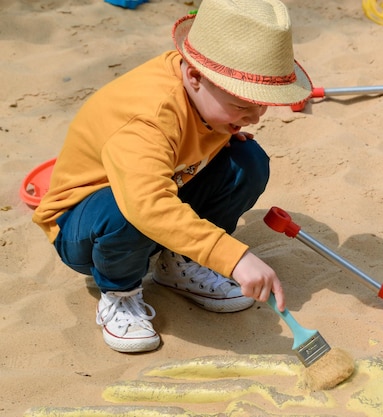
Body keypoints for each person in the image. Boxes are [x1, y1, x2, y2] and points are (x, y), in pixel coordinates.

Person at [32, 0, 312, 353]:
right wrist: (233, 257)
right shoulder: (148, 116)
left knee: (248, 161)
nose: (255, 115)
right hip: (85, 222)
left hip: (162, 187)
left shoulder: (207, 100)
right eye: (243, 104)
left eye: (263, 103)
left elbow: (192, 139)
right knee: (129, 212)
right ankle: (119, 292)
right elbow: (147, 204)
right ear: (194, 76)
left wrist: (226, 130)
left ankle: (180, 264)